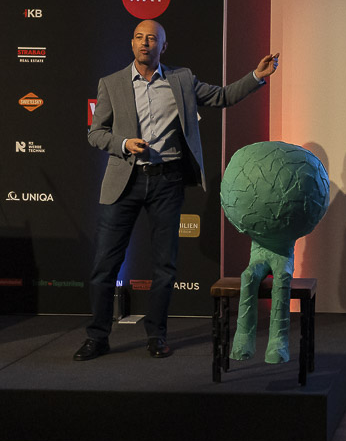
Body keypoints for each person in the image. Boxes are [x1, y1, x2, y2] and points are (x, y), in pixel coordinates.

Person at [75, 19, 277, 360]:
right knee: (105, 263)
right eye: (139, 37)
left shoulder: (182, 80)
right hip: (124, 181)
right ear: (132, 43)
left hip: (166, 181)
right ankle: (97, 337)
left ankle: (157, 335)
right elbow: (96, 133)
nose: (145, 43)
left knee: (164, 265)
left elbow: (222, 96)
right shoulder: (111, 83)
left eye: (152, 38)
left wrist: (256, 76)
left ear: (163, 46)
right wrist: (124, 143)